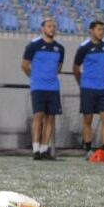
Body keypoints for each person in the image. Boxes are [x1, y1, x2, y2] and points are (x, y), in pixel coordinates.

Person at [22, 18, 65, 160]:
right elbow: (24, 65)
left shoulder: (60, 48)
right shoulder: (33, 45)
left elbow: (58, 68)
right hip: (38, 87)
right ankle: (36, 150)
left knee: (50, 118)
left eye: (54, 26)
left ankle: (44, 149)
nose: (52, 28)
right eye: (49, 26)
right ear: (42, 28)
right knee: (38, 116)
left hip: (53, 88)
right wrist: (35, 78)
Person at [73, 20, 104, 158]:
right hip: (87, 88)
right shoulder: (84, 47)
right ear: (91, 31)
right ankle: (88, 148)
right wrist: (82, 83)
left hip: (103, 88)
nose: (101, 32)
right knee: (88, 119)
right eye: (99, 29)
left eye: (103, 29)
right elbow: (76, 68)